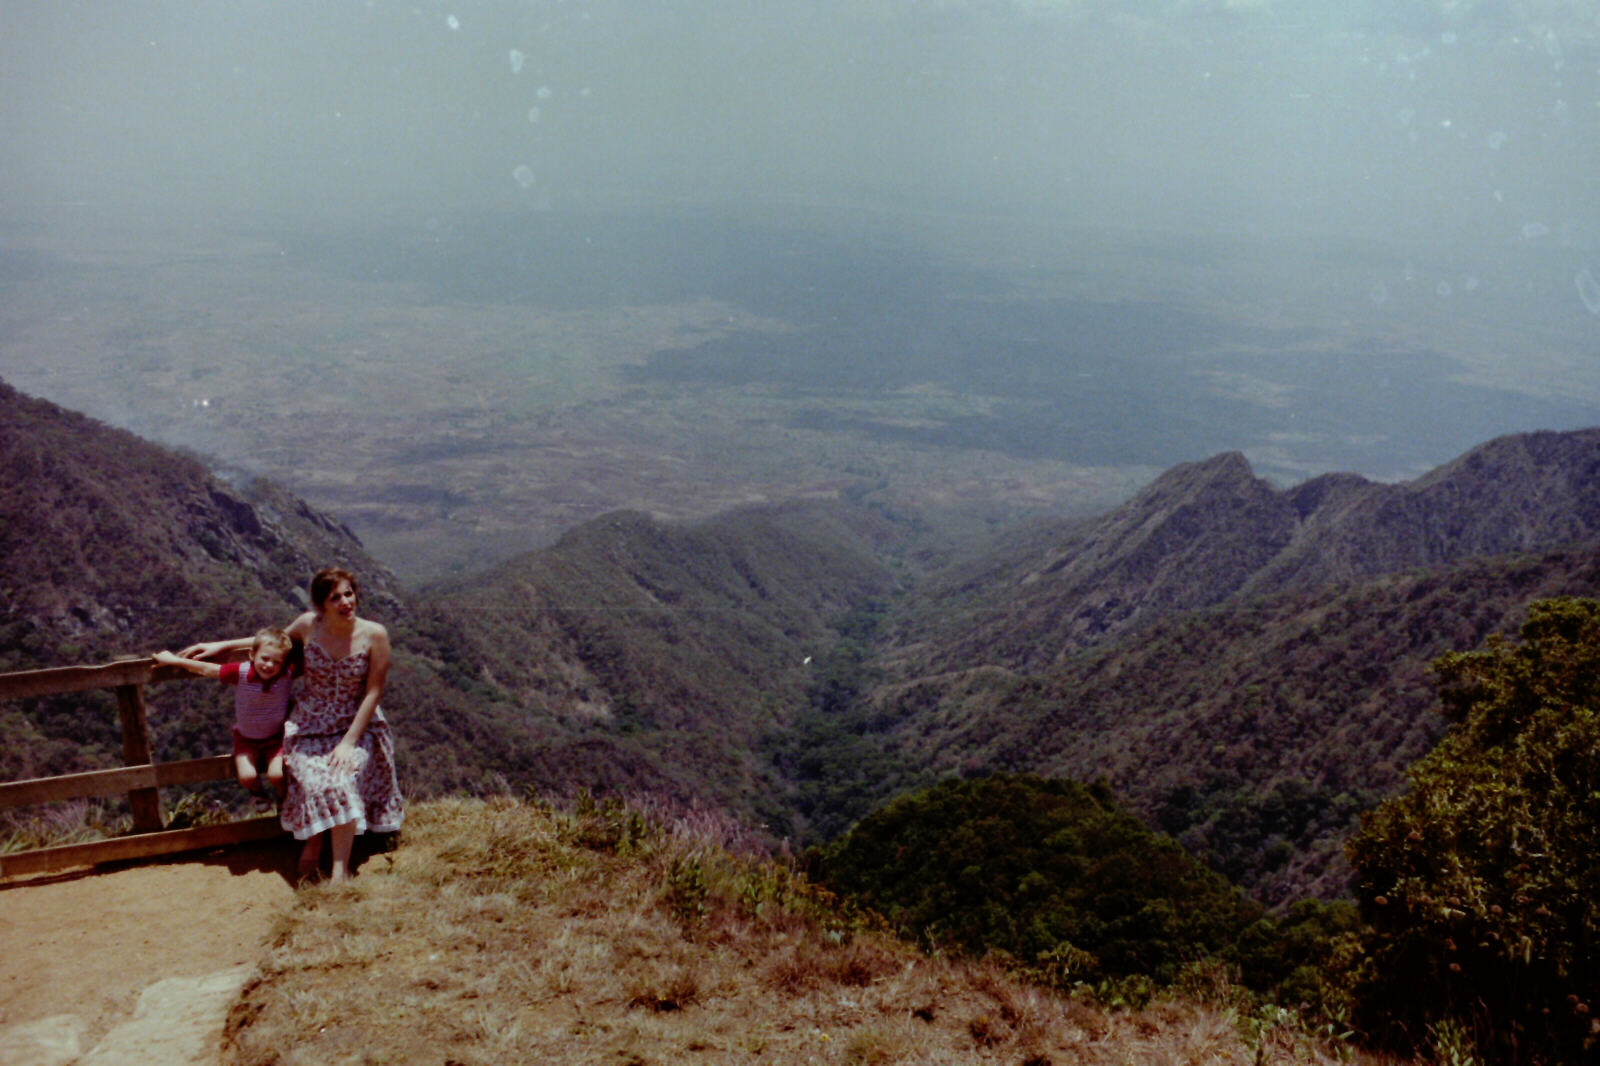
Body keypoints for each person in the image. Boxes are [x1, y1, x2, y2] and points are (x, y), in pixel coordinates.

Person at [181, 567, 404, 883]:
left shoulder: (374, 635)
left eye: (349, 593)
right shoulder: (308, 625)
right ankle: (313, 839)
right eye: (335, 597)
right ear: (321, 605)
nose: (345, 602)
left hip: (356, 724)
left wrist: (348, 742)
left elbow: (374, 691)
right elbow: (273, 643)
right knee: (310, 777)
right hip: (310, 721)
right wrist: (221, 646)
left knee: (342, 778)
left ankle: (340, 869)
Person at [153, 628, 298, 812]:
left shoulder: (287, 673)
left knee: (277, 775)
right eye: (265, 658)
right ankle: (258, 792)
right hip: (246, 740)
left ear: (284, 663)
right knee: (246, 777)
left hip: (276, 739)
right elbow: (207, 669)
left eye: (277, 661)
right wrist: (174, 660)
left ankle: (284, 798)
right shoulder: (242, 673)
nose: (269, 665)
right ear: (252, 655)